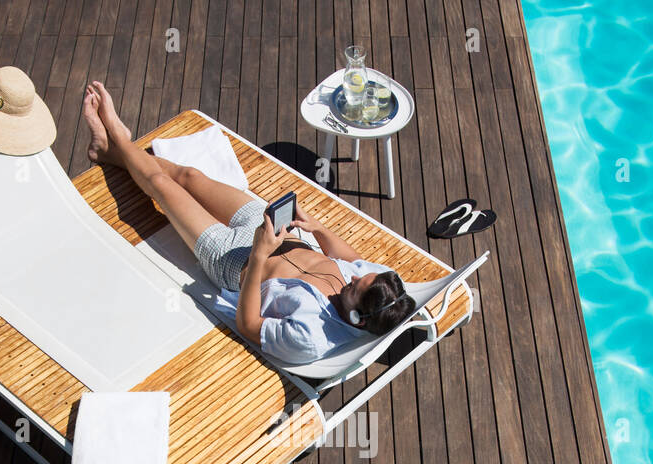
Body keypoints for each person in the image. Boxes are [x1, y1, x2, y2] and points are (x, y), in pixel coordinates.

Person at [82, 82, 414, 365]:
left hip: (235, 260)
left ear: (356, 318)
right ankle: (113, 152)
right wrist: (318, 229)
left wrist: (257, 256)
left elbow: (248, 324)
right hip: (274, 229)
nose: (352, 275)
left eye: (353, 287)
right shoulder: (376, 287)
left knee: (162, 186)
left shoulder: (312, 338)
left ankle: (117, 136)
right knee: (190, 176)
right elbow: (352, 258)